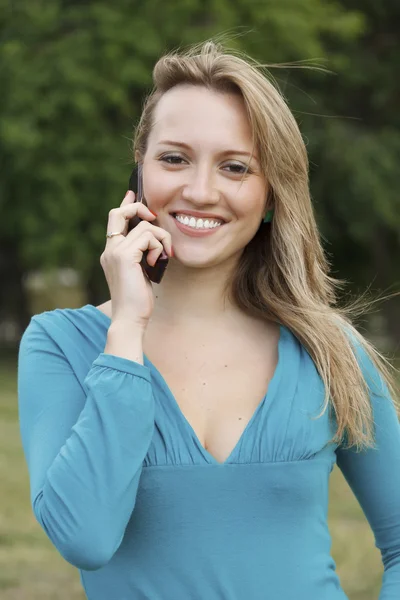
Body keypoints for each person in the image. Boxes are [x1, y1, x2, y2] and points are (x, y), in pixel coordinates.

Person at [17, 39, 400, 600]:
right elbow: (85, 538)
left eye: (235, 167)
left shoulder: (328, 348)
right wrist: (126, 329)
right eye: (173, 158)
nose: (200, 191)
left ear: (271, 194)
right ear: (141, 172)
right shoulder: (60, 345)